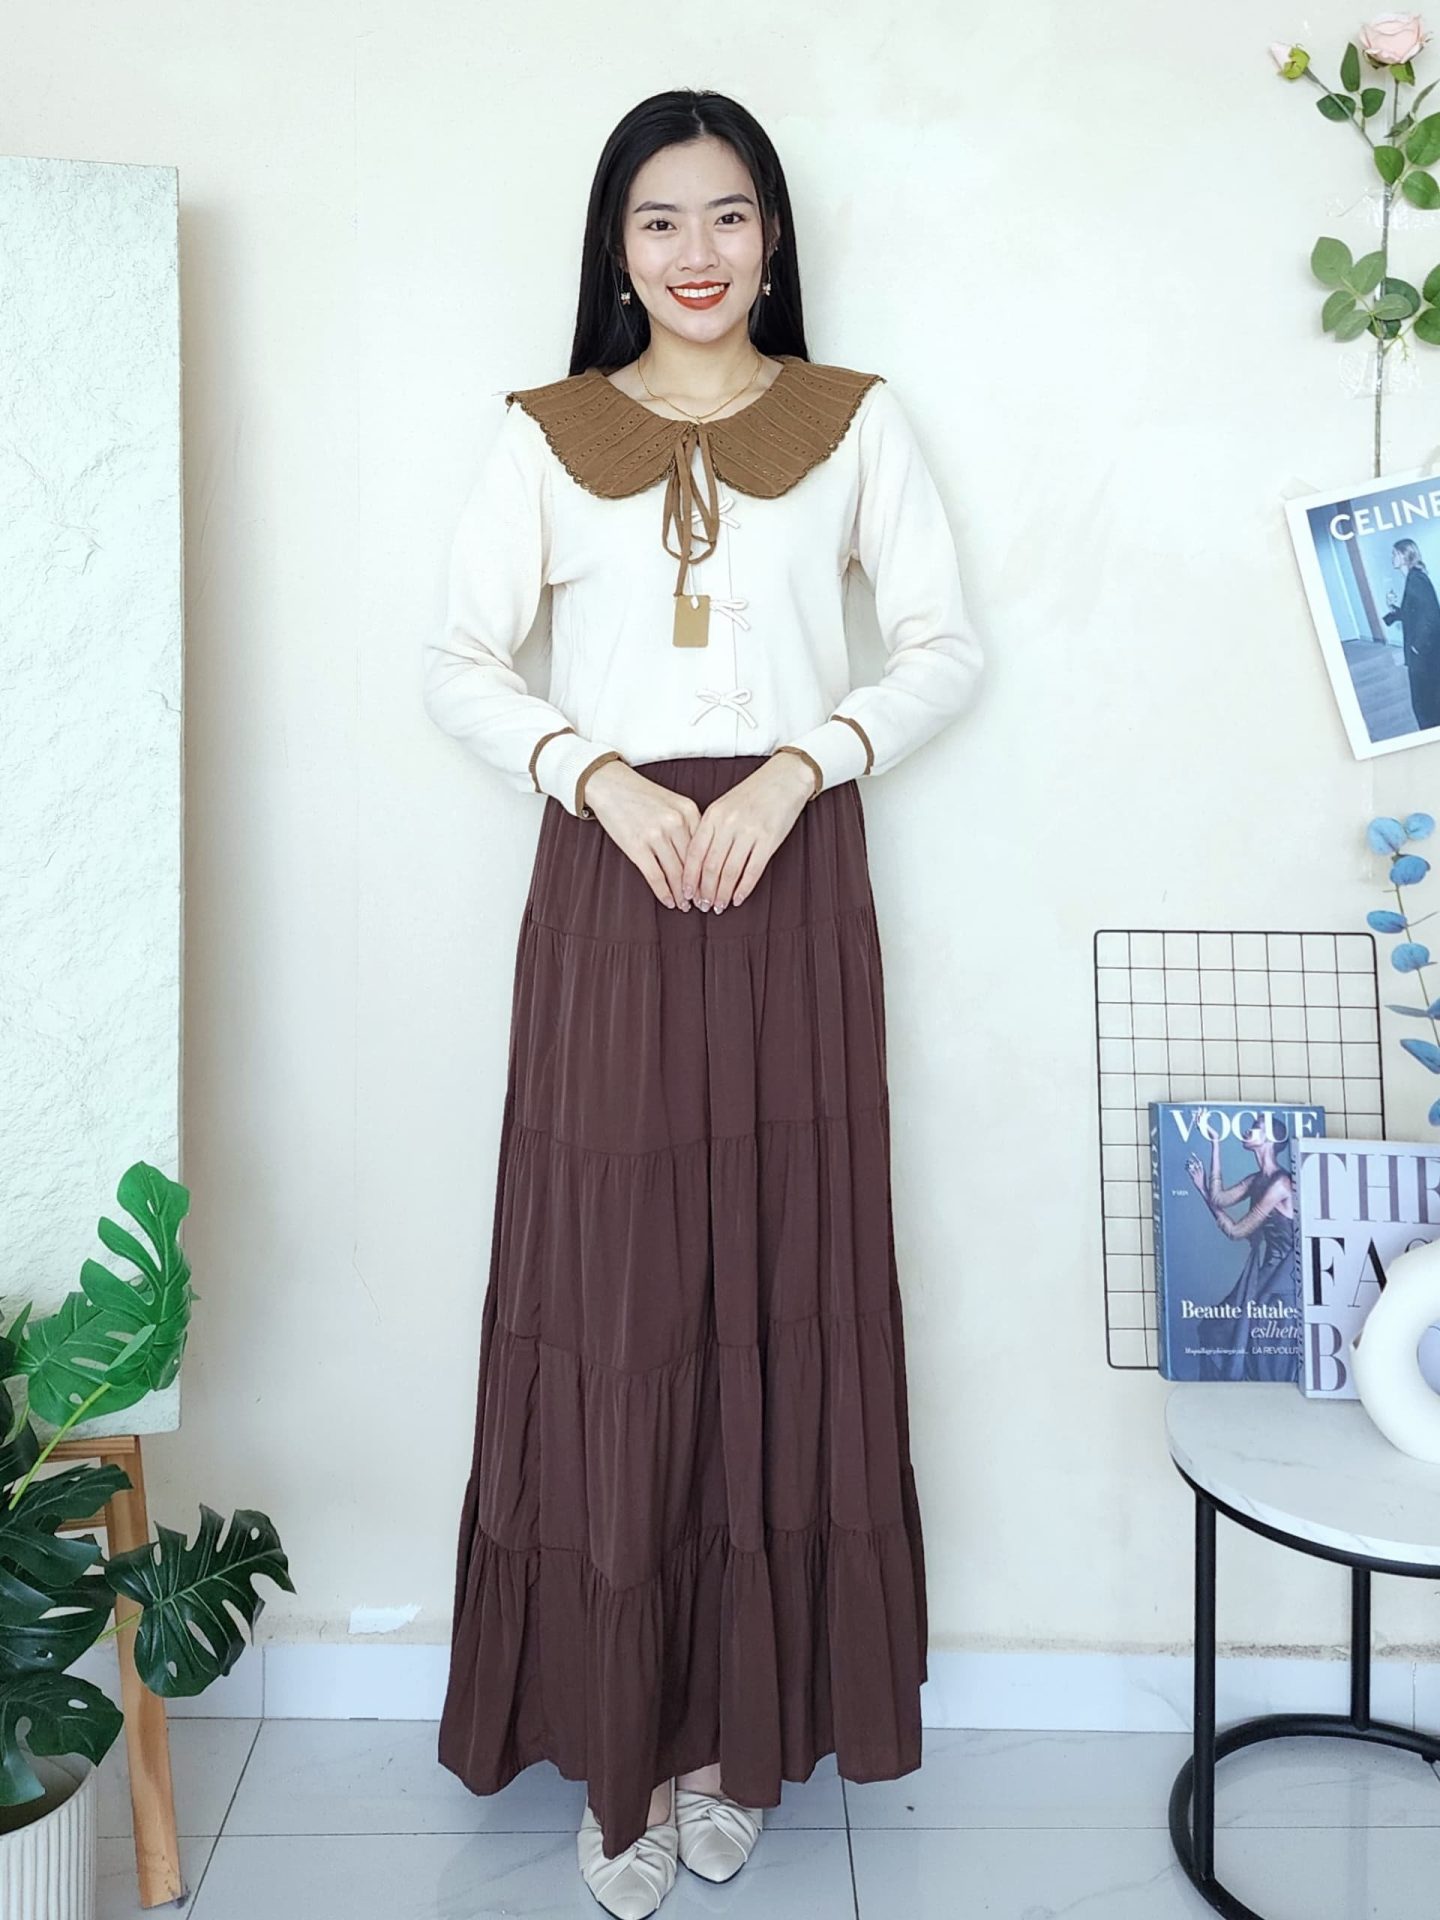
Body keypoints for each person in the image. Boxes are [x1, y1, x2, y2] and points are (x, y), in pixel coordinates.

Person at [422, 87, 986, 1920]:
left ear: (773, 237)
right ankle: (625, 1747)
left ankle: (736, 1742)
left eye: (728, 215)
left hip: (789, 882)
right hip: (612, 886)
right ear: (617, 245)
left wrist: (800, 768)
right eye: (660, 219)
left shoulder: (855, 422)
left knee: (777, 1280)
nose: (696, 252)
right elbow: (458, 662)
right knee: (626, 1302)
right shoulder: (543, 432)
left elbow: (943, 648)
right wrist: (598, 776)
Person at [1185, 1115, 1298, 1383]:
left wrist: (1204, 1192)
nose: (1248, 1131)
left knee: (1254, 1347)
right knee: (1217, 1332)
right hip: (1266, 1273)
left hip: (1284, 1281)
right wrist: (1215, 1143)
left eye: (1256, 1127)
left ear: (1271, 1139)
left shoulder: (1281, 1184)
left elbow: (1236, 1231)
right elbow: (1219, 1198)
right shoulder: (1257, 1180)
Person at [1383, 536, 1440, 732]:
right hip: (1425, 653)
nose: (1392, 557)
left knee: (1423, 702)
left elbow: (1432, 616)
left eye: (1394, 553)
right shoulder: (1414, 578)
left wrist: (1417, 646)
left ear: (1404, 555)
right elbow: (1414, 614)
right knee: (1427, 699)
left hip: (1424, 654)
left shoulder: (1416, 580)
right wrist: (1393, 609)